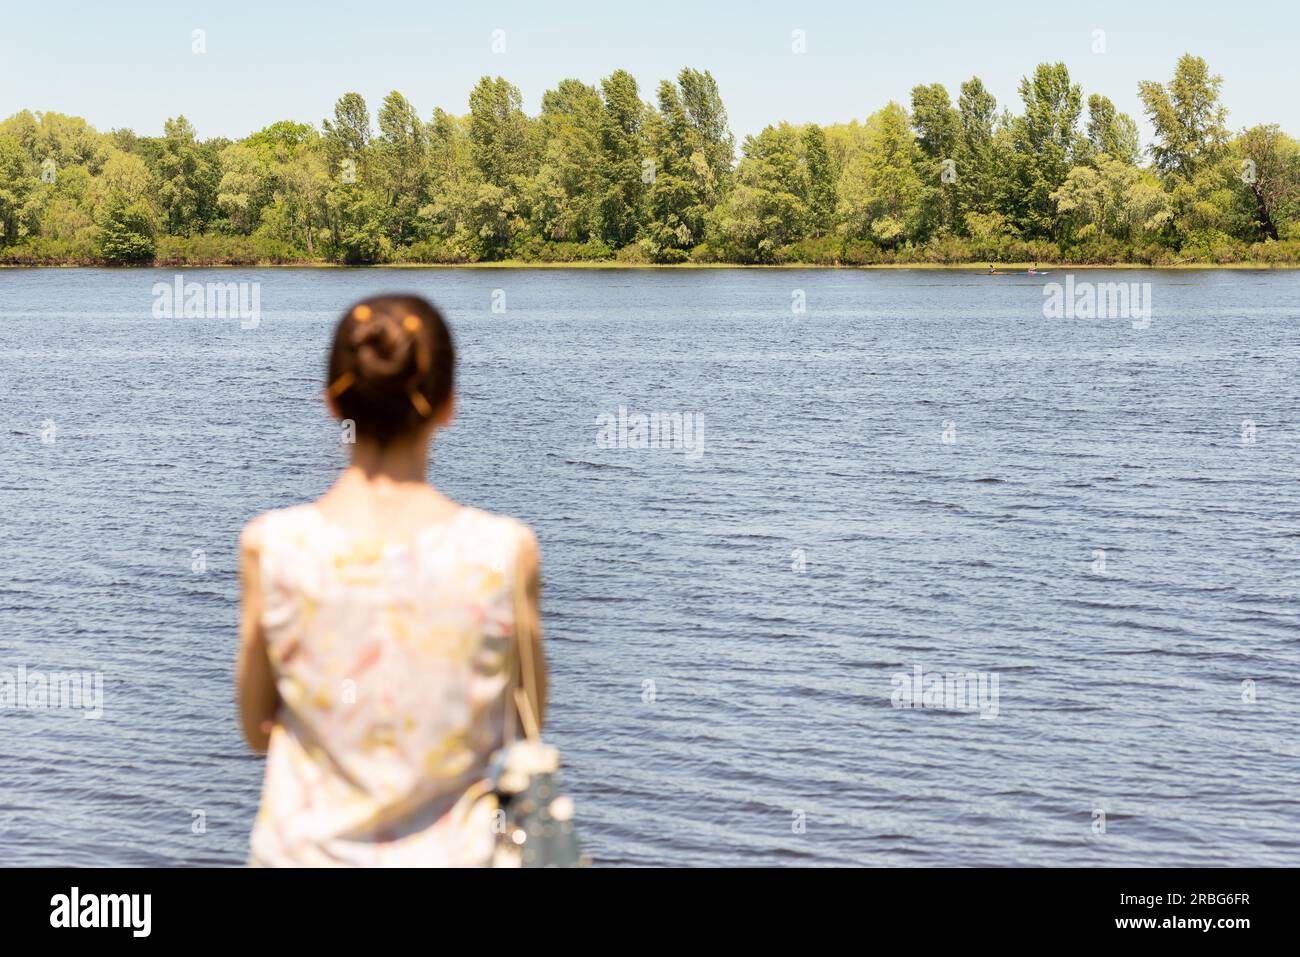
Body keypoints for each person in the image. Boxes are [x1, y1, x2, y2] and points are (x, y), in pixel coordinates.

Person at [236, 294, 545, 866]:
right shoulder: (504, 551)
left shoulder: (273, 547)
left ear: (333, 403)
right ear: (448, 405)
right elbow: (524, 726)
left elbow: (257, 731)